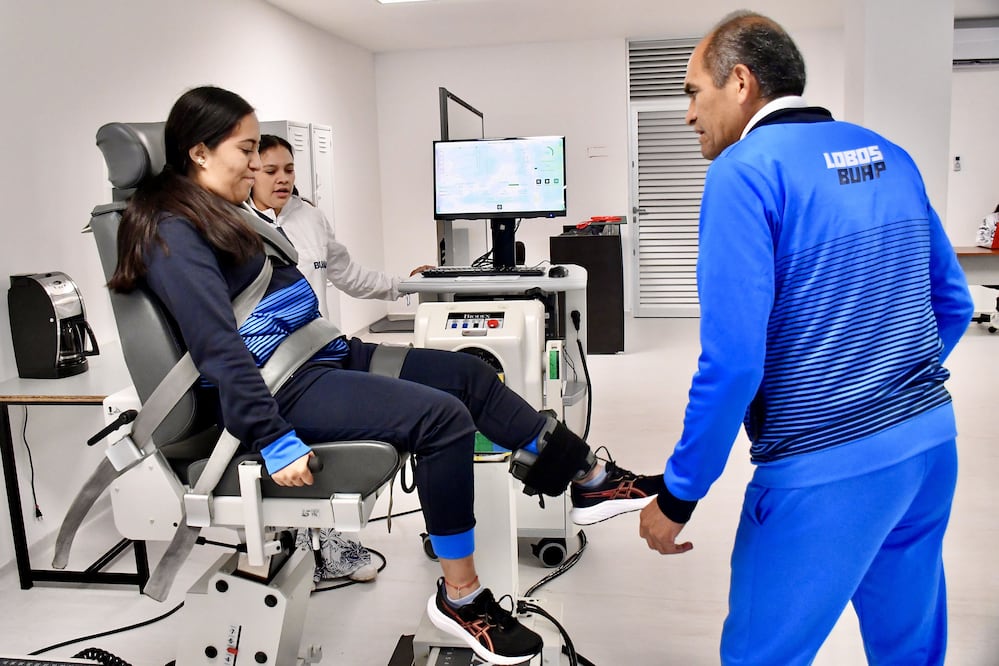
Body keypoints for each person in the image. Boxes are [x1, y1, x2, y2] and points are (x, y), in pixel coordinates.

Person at [110, 85, 663, 666]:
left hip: (320, 355)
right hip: (280, 385)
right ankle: (461, 598)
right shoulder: (171, 230)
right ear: (200, 152)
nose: (255, 164)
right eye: (246, 151)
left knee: (468, 375)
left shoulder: (216, 211)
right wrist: (272, 438)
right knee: (443, 419)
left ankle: (588, 476)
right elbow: (217, 344)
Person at [637, 12, 974, 665]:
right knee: (909, 651)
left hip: (823, 471)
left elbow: (734, 364)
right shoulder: (889, 154)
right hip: (928, 449)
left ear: (740, 82)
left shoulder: (743, 172)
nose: (688, 114)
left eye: (693, 92)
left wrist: (679, 494)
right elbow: (952, 303)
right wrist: (889, 382)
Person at [246, 133, 430, 584]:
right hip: (271, 369)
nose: (282, 179)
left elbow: (348, 275)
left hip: (320, 355)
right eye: (271, 171)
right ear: (249, 172)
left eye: (289, 169)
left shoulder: (310, 218)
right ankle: (293, 548)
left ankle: (332, 543)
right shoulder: (236, 226)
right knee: (295, 453)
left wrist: (404, 286)